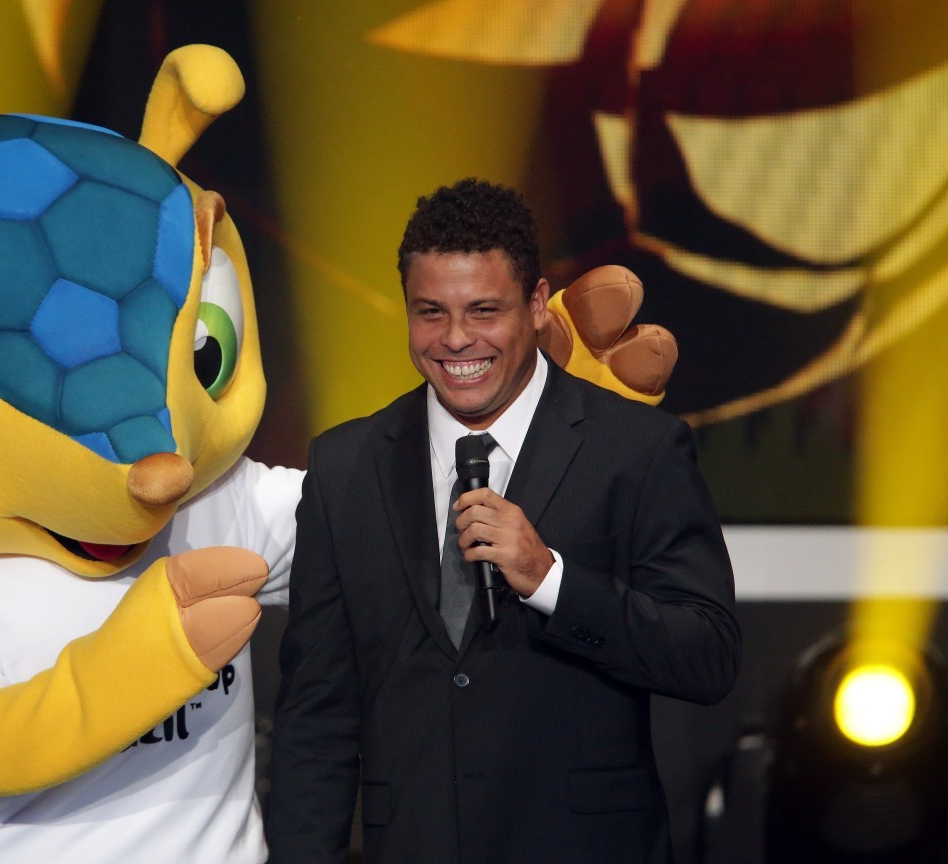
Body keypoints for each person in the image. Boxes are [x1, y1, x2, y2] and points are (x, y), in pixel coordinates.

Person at [264, 178, 739, 864]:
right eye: (431, 312)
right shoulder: (345, 467)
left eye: (484, 310)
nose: (457, 339)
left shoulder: (636, 449)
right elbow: (316, 713)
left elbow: (706, 656)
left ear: (538, 305)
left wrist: (551, 580)